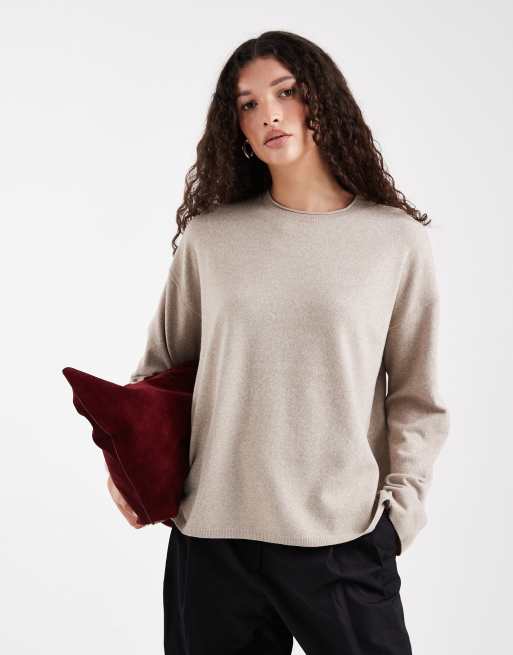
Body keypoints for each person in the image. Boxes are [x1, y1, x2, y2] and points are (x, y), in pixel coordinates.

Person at [107, 30, 450, 655]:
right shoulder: (210, 240)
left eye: (286, 92)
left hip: (342, 540)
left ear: (323, 100)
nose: (268, 113)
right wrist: (125, 471)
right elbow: (157, 377)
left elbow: (417, 395)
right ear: (236, 126)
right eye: (248, 103)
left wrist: (399, 517)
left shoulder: (394, 240)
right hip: (213, 543)